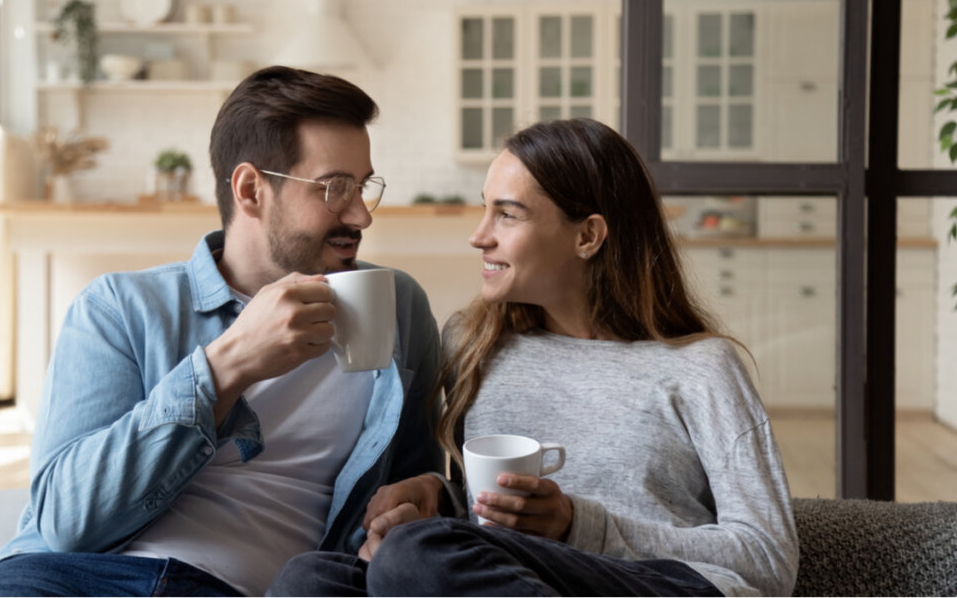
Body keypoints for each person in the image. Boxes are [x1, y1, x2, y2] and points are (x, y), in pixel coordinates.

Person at [0, 66, 443, 597]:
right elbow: (67, 521)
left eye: (364, 186)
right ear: (251, 190)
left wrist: (423, 496)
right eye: (334, 188)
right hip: (66, 579)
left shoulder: (398, 308)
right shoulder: (120, 308)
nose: (361, 216)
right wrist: (227, 365)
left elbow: (421, 485)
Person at [272, 118, 799, 597]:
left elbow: (769, 559)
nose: (479, 236)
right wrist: (440, 497)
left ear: (587, 235)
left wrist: (577, 525)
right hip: (525, 579)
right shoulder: (476, 347)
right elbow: (495, 542)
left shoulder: (701, 368)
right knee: (309, 579)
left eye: (508, 214)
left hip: (664, 585)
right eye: (485, 209)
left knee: (417, 557)